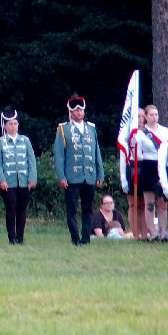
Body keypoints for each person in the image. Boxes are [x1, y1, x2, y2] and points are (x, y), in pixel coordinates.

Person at [54, 94, 105, 245]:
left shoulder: (91, 129)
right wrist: (61, 176)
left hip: (89, 175)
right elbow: (59, 155)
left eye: (81, 110)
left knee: (87, 208)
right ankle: (75, 238)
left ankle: (86, 238)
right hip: (72, 176)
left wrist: (100, 173)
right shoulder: (63, 129)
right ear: (70, 112)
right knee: (72, 209)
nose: (79, 112)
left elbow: (96, 152)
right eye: (76, 110)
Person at [0, 107, 37, 244]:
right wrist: (1, 180)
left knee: (22, 210)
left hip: (24, 181)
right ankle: (11, 238)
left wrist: (32, 178)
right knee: (11, 209)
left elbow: (31, 160)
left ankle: (20, 237)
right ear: (5, 126)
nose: (13, 126)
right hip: (8, 182)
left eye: (15, 123)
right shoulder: (0, 142)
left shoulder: (25, 140)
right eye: (10, 124)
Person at [133, 104, 168, 241]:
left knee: (162, 203)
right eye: (151, 115)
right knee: (149, 203)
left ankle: (163, 233)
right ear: (146, 117)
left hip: (162, 166)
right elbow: (138, 155)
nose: (154, 117)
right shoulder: (141, 134)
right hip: (148, 167)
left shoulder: (164, 131)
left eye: (156, 114)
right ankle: (153, 234)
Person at [121, 108, 148, 238]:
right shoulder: (127, 135)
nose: (141, 119)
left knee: (145, 203)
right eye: (138, 116)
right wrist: (123, 177)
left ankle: (145, 234)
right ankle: (135, 234)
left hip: (146, 167)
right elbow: (123, 156)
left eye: (143, 116)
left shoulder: (149, 133)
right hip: (131, 166)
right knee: (133, 204)